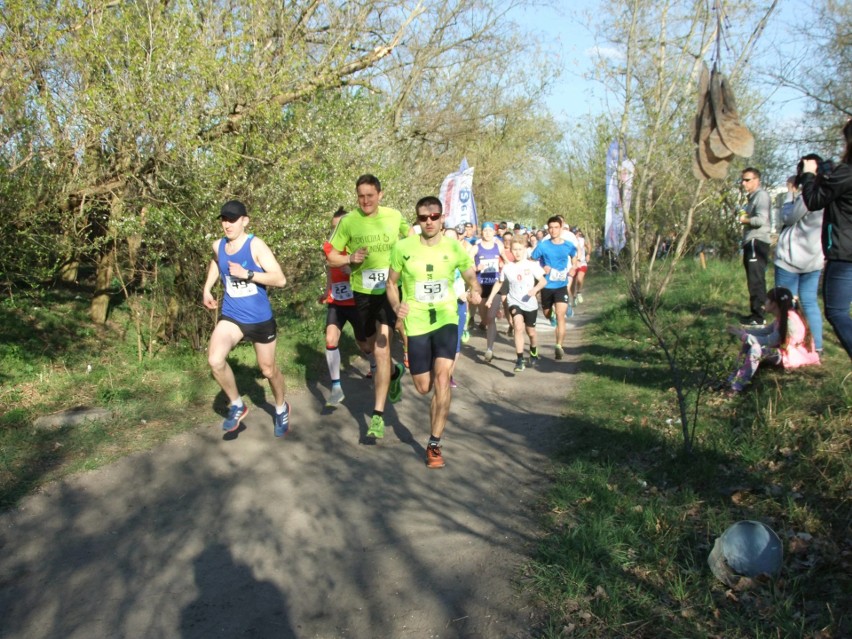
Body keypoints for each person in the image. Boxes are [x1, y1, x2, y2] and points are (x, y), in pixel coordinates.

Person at [387, 196, 482, 469]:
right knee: (423, 387)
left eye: (434, 216)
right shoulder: (402, 248)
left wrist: (475, 290)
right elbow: (391, 284)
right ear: (417, 219)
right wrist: (396, 307)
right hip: (415, 323)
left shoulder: (454, 247)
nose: (429, 221)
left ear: (442, 218)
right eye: (423, 217)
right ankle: (400, 373)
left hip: (445, 319)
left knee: (442, 380)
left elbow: (470, 276)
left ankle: (434, 443)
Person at [327, 174, 411, 439]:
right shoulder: (349, 221)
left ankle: (377, 416)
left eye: (370, 196)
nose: (365, 201)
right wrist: (349, 257)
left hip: (388, 290)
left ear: (380, 195)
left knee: (382, 349)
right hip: (361, 294)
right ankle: (396, 372)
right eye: (360, 196)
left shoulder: (394, 216)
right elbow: (331, 255)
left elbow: (411, 237)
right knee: (366, 346)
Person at [202, 200, 291, 436]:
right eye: (223, 219)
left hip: (260, 319)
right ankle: (237, 404)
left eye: (232, 219)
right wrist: (207, 288)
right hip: (232, 316)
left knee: (268, 370)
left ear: (245, 221)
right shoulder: (218, 245)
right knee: (215, 360)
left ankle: (281, 407)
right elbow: (215, 261)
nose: (227, 224)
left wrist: (248, 274)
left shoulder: (256, 246)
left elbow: (280, 279)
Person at [800, 119, 852, 360]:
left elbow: (813, 201)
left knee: (837, 311)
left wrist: (809, 175)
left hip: (844, 253)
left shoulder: (845, 173)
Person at [320, 207, 375, 407]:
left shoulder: (359, 246)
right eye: (333, 228)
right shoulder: (330, 248)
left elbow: (371, 271)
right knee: (330, 339)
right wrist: (327, 291)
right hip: (337, 303)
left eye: (339, 227)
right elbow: (329, 270)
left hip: (356, 302)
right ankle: (336, 387)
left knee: (364, 343)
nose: (336, 232)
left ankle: (375, 364)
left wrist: (352, 270)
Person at [726, 287, 820, 392]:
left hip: (793, 355)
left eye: (767, 300)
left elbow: (770, 340)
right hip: (785, 351)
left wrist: (743, 336)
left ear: (774, 304)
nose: (764, 302)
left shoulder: (789, 321)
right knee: (748, 343)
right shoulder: (783, 316)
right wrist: (743, 331)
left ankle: (738, 385)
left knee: (755, 349)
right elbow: (765, 331)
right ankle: (731, 378)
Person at [774, 170, 824, 353]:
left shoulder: (807, 198)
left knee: (785, 305)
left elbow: (788, 217)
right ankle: (816, 346)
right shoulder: (830, 196)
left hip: (791, 259)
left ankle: (787, 345)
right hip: (814, 259)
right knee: (810, 302)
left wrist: (790, 193)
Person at [485, 238, 547, 372]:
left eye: (520, 249)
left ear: (525, 249)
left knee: (531, 332)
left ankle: (533, 349)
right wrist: (490, 298)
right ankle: (520, 360)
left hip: (530, 303)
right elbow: (499, 283)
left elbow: (543, 281)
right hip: (514, 301)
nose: (517, 253)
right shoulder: (508, 267)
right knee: (518, 327)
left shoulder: (531, 265)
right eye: (515, 250)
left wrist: (535, 290)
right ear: (511, 250)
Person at [531, 215, 578, 360]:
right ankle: (549, 315)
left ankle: (559, 346)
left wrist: (573, 267)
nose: (553, 230)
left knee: (560, 315)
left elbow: (575, 257)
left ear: (561, 228)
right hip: (546, 285)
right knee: (546, 313)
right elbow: (532, 260)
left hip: (561, 285)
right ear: (548, 229)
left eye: (556, 227)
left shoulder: (568, 245)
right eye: (550, 227)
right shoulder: (543, 245)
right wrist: (541, 267)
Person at [738, 167, 772, 326]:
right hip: (751, 241)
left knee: (756, 280)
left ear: (756, 180)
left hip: (756, 242)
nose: (743, 183)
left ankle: (759, 317)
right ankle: (756, 313)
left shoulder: (761, 196)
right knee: (753, 279)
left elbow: (761, 220)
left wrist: (745, 220)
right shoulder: (752, 198)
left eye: (747, 179)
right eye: (743, 180)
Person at [473, 221, 505, 361]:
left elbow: (506, 262)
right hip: (481, 286)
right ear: (482, 233)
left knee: (491, 318)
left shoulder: (498, 246)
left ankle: (489, 349)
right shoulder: (476, 248)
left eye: (490, 230)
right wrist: (475, 268)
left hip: (495, 285)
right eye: (485, 230)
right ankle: (491, 315)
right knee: (485, 318)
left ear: (494, 232)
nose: (487, 233)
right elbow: (467, 265)